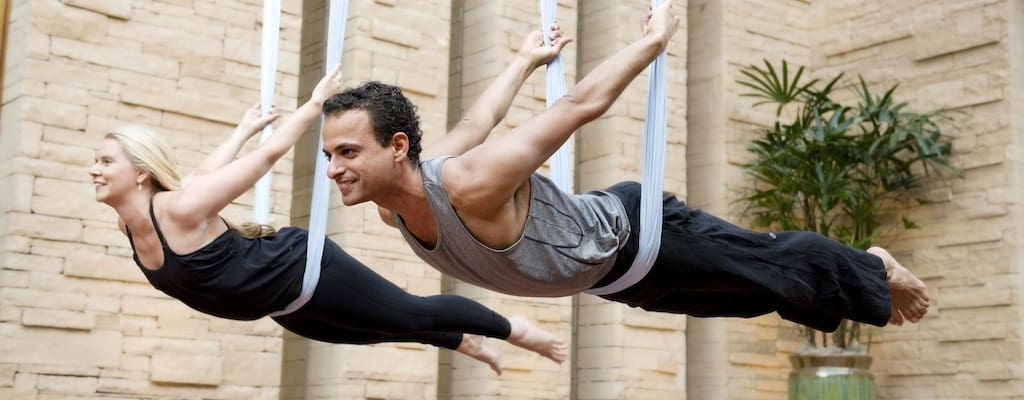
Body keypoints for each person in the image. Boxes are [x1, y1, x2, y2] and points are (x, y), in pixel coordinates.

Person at [319, 0, 930, 333]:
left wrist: (651, 43)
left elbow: (581, 104)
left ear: (396, 147)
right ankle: (848, 289)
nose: (334, 170)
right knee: (755, 299)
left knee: (770, 263)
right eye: (328, 156)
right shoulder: (395, 207)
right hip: (618, 279)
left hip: (637, 233)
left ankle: (870, 264)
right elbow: (477, 120)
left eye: (347, 152)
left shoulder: (467, 183)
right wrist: (526, 60)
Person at [90, 65, 570, 376]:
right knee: (373, 332)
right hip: (286, 304)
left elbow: (268, 157)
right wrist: (240, 130)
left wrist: (317, 105)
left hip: (303, 270)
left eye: (106, 161)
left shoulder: (176, 211)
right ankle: (462, 342)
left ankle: (513, 328)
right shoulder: (138, 224)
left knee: (410, 312)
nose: (94, 169)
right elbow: (198, 174)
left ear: (140, 174)